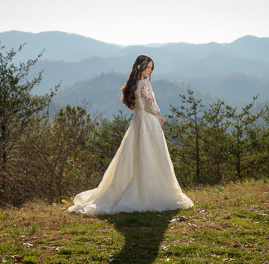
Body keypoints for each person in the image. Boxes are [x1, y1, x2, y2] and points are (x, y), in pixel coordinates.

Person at [68, 55, 194, 215]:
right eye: (147, 67)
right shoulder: (145, 84)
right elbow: (152, 103)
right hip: (148, 123)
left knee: (135, 157)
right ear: (139, 67)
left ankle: (135, 188)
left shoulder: (133, 84)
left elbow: (136, 105)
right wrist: (159, 117)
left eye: (151, 68)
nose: (149, 71)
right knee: (151, 156)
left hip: (137, 123)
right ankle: (147, 193)